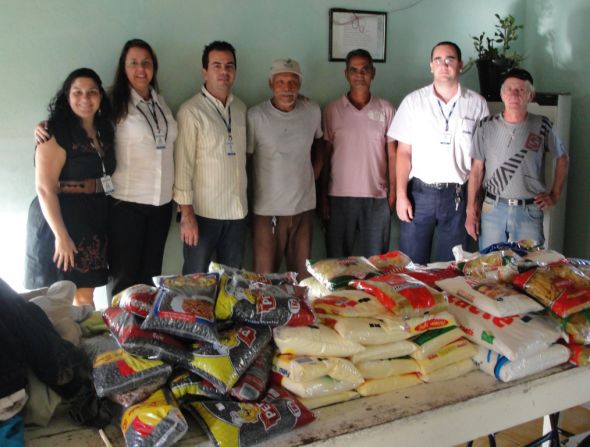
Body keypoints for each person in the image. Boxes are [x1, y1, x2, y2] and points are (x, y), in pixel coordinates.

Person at [35, 39, 178, 297]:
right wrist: (47, 125)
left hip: (161, 203)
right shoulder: (112, 100)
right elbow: (80, 113)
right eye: (133, 63)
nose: (141, 69)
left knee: (151, 276)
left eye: (146, 62)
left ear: (154, 67)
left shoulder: (161, 102)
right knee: (124, 277)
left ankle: (143, 333)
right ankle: (120, 329)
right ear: (123, 68)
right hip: (127, 202)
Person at [387, 41, 488, 265]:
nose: (444, 65)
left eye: (450, 59)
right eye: (438, 60)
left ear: (460, 65)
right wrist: (402, 195)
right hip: (419, 195)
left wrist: (472, 206)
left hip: (457, 198)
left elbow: (477, 163)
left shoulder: (477, 104)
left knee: (451, 267)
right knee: (412, 266)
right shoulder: (413, 102)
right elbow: (403, 153)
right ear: (431, 66)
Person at [25, 68, 116, 306]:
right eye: (77, 92)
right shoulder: (53, 132)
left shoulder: (105, 129)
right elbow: (45, 189)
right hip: (58, 218)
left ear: (100, 97)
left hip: (92, 218)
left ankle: (83, 343)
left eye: (92, 92)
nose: (85, 99)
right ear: (67, 96)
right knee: (55, 297)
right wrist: (61, 235)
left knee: (86, 294)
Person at [465, 68, 568, 249]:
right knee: (490, 267)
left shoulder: (542, 125)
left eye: (520, 90)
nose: (514, 94)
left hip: (529, 211)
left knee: (528, 268)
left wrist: (555, 194)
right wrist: (470, 209)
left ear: (530, 95)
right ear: (501, 93)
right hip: (492, 208)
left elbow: (562, 158)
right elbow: (476, 171)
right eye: (509, 89)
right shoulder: (485, 126)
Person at [173, 41, 247, 274]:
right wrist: (186, 215)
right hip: (202, 215)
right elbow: (183, 167)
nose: (224, 72)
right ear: (205, 71)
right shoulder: (190, 112)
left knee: (232, 286)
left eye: (229, 66)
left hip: (237, 213)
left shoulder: (241, 109)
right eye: (216, 65)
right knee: (195, 284)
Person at [247, 58, 323, 279]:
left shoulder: (312, 111)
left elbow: (320, 144)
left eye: (292, 82)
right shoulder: (256, 116)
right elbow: (246, 161)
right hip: (267, 210)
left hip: (303, 208)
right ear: (271, 84)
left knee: (302, 279)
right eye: (281, 82)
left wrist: (313, 173)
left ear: (299, 85)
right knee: (263, 278)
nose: (287, 88)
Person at [321, 49, 396, 258]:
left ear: (373, 72)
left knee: (376, 264)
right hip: (338, 198)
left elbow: (393, 156)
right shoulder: (332, 110)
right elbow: (325, 157)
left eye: (364, 69)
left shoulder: (386, 109)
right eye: (354, 70)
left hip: (376, 198)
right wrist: (323, 198)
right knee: (337, 263)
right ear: (346, 74)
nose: (359, 75)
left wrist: (393, 194)